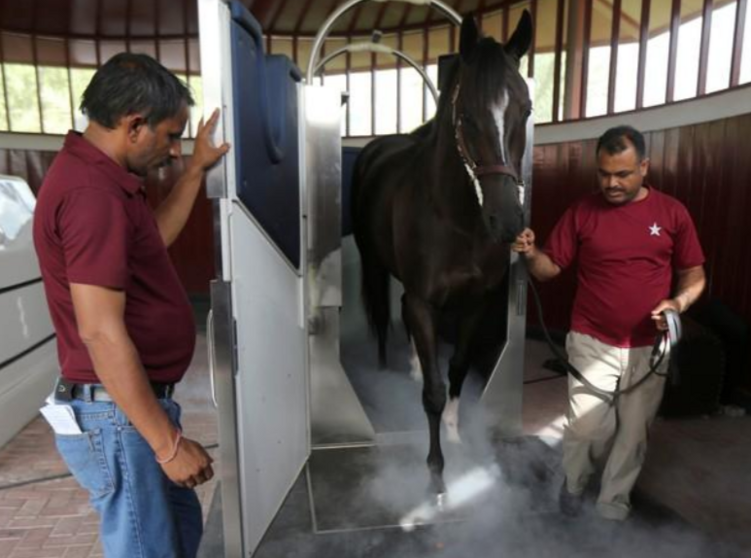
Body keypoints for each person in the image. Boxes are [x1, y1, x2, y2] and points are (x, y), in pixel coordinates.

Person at [33, 53, 230, 557]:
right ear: (134, 125)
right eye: (170, 136)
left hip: (129, 409)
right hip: (118, 417)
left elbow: (151, 244)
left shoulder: (105, 179)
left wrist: (193, 172)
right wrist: (165, 444)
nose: (173, 149)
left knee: (177, 541)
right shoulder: (90, 193)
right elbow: (100, 331)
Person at [513, 125, 706, 521]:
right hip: (591, 339)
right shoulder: (583, 212)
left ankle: (611, 509)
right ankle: (574, 487)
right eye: (604, 174)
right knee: (587, 431)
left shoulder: (672, 213)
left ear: (645, 168)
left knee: (633, 436)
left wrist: (677, 302)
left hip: (649, 346)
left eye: (623, 174)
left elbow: (694, 273)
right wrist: (532, 255)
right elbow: (549, 269)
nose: (612, 183)